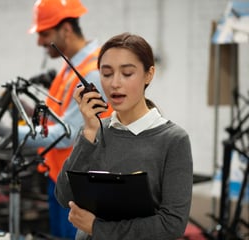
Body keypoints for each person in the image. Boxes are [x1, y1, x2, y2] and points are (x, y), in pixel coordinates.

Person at [55, 32, 193, 239]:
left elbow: (171, 224)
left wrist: (97, 228)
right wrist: (89, 132)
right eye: (107, 74)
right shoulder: (94, 131)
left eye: (127, 74)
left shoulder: (174, 140)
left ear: (149, 74)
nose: (114, 83)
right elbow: (64, 197)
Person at [19, 0, 112, 238]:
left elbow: (66, 134)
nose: (40, 41)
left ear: (66, 30)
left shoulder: (91, 71)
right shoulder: (70, 67)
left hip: (83, 187)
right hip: (63, 178)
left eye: (45, 33)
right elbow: (58, 120)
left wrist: (9, 133)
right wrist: (25, 110)